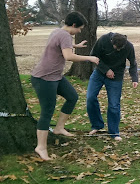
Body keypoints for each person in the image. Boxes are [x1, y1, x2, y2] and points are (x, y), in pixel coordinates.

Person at [31, 11, 99, 161]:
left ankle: (59, 128)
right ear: (73, 25)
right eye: (79, 28)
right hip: (44, 78)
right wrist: (90, 58)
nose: (79, 31)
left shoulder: (58, 32)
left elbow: (61, 45)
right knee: (47, 111)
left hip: (55, 76)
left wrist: (76, 45)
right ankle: (40, 147)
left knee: (72, 97)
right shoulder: (65, 35)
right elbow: (69, 56)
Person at [86, 32, 138, 141]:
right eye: (116, 48)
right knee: (90, 97)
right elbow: (93, 55)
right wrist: (106, 70)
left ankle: (114, 132)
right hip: (99, 73)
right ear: (111, 42)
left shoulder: (129, 46)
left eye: (120, 48)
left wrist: (134, 79)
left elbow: (133, 63)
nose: (118, 50)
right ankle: (97, 125)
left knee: (114, 105)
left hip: (116, 76)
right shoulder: (103, 40)